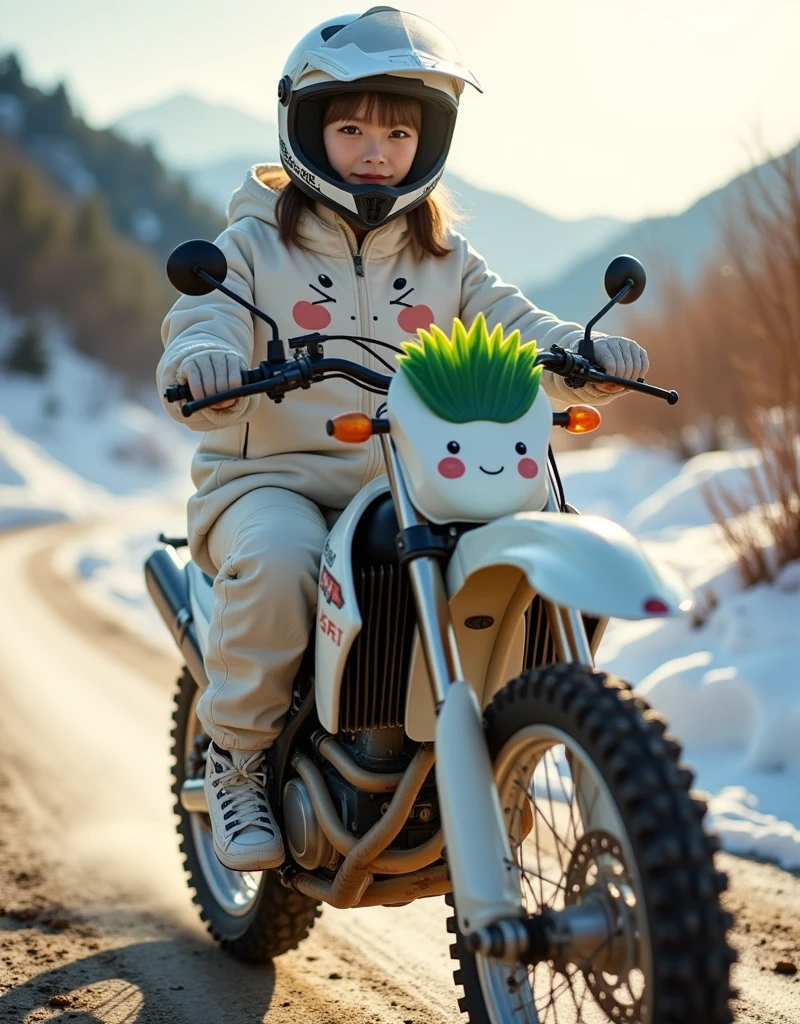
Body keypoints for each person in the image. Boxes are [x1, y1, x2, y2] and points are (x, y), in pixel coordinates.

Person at [157, 7, 649, 873]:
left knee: (536, 548)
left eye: (397, 130)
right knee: (279, 559)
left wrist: (582, 352)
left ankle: (507, 736)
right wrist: (202, 358)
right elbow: (203, 320)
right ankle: (235, 758)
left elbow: (519, 326)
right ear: (309, 130)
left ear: (430, 142)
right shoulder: (247, 248)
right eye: (350, 128)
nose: (375, 149)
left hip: (422, 483)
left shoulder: (447, 260)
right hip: (276, 483)